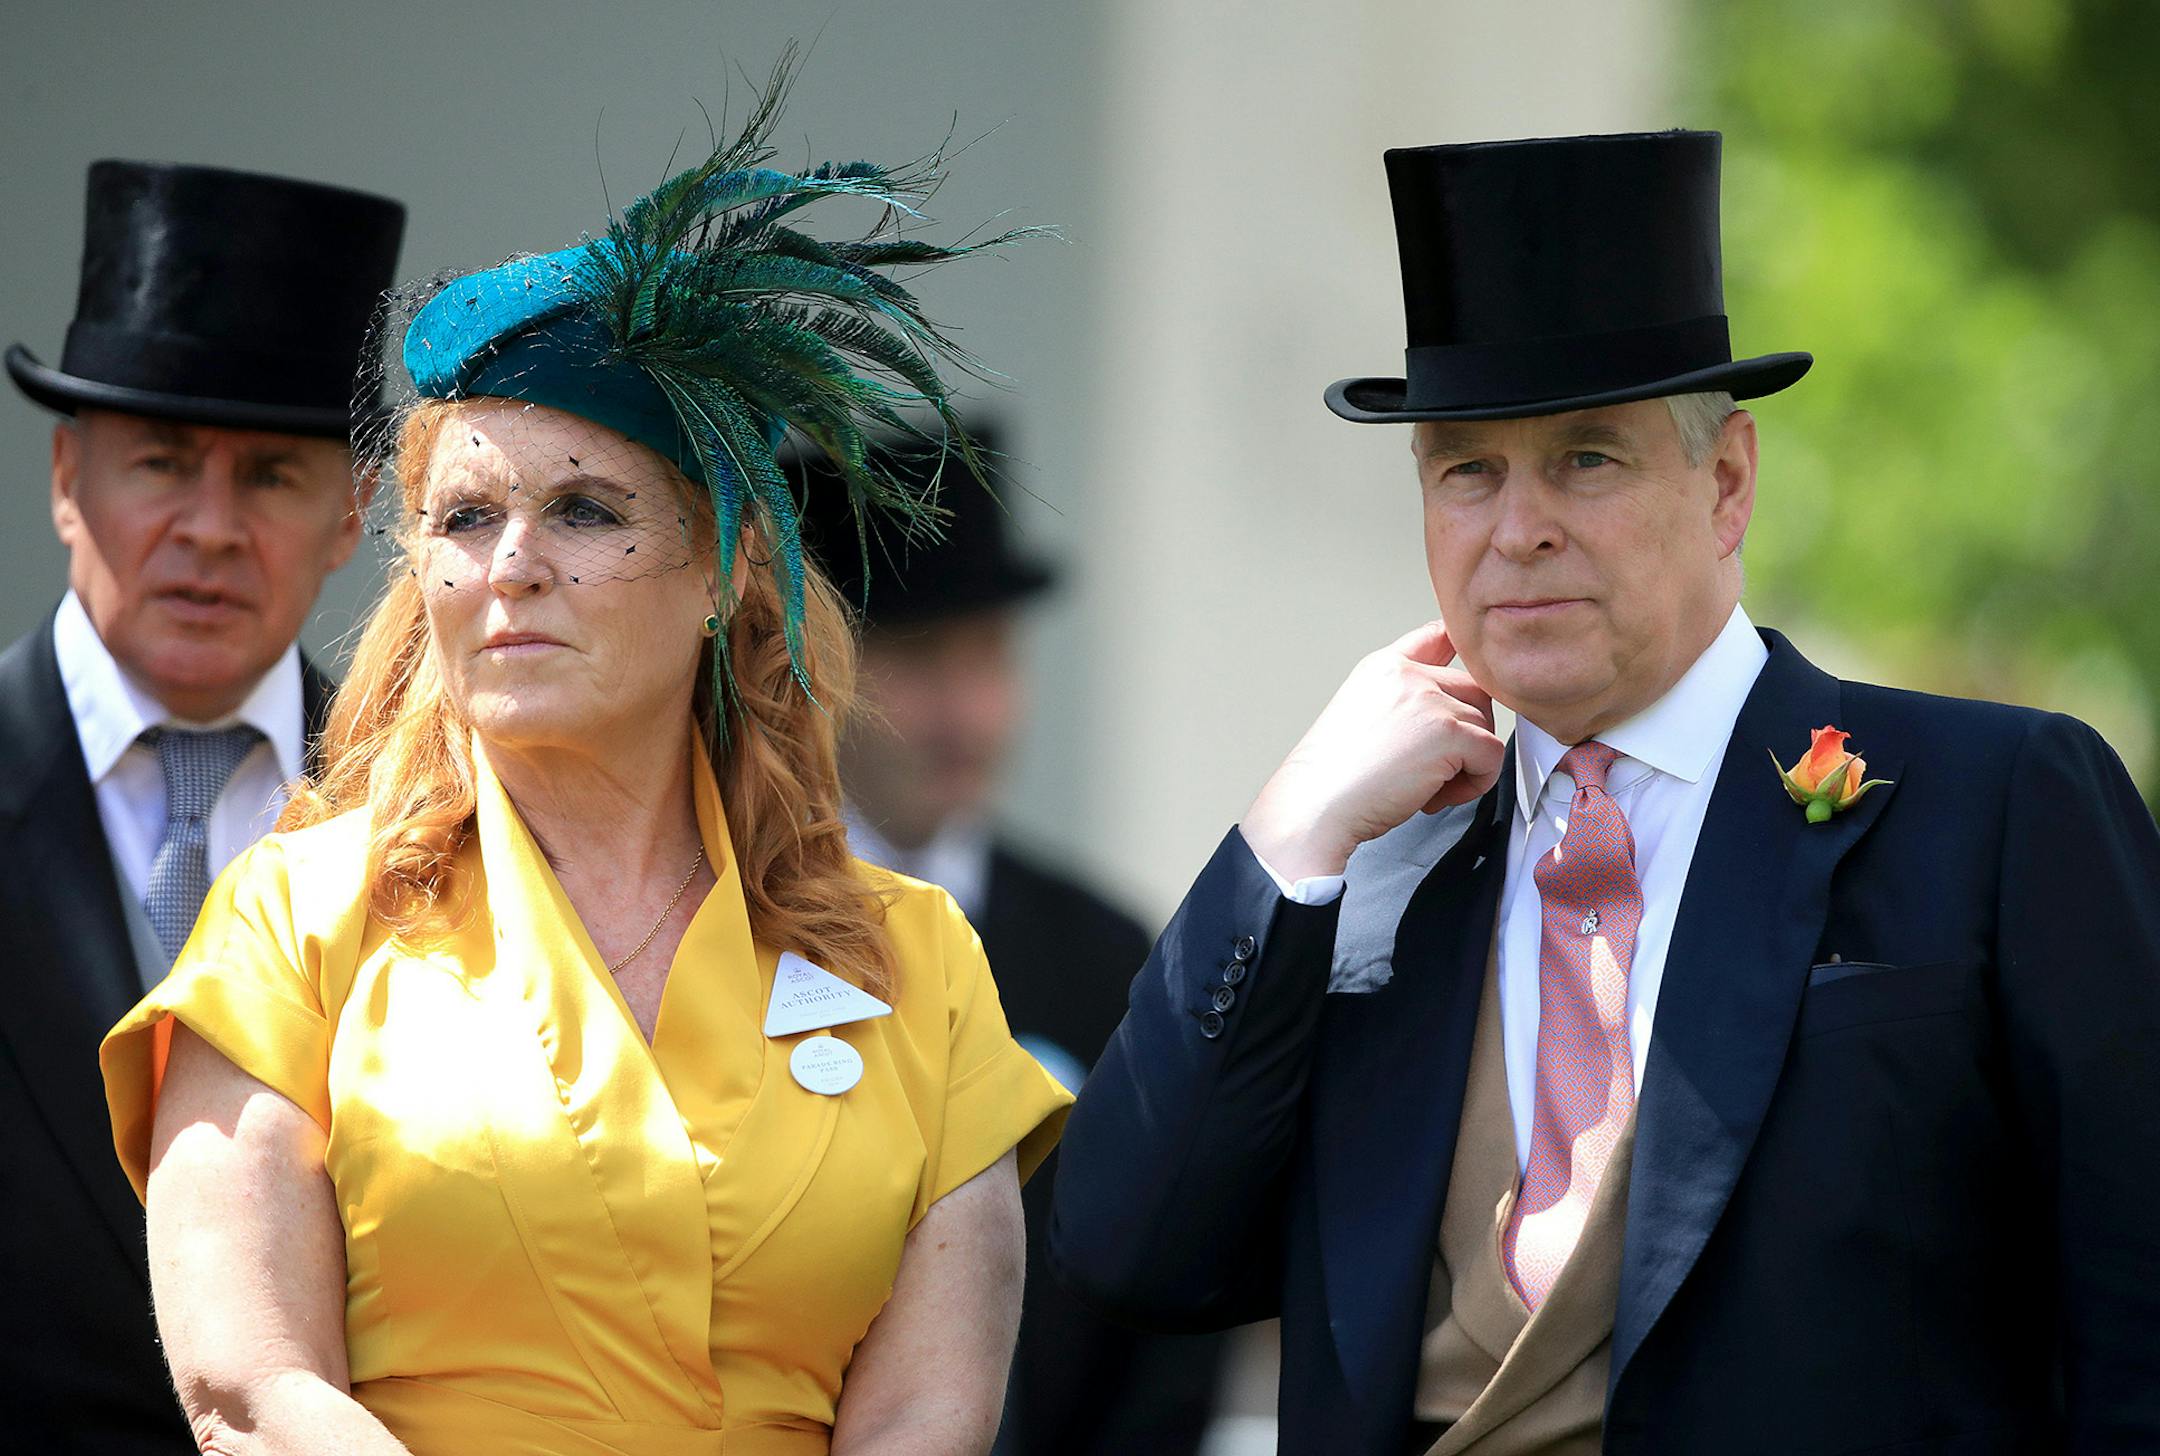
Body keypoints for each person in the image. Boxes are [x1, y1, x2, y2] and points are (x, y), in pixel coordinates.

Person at [1050, 130, 2160, 1454]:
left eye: (1587, 459)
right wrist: (1289, 836)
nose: (1520, 528)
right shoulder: (1376, 871)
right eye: (1468, 469)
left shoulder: (1997, 806)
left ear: (1728, 481)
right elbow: (1126, 1248)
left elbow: (2140, 1325)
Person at [98, 78, 1070, 1456]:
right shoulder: (295, 924)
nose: (512, 568)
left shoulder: (913, 965)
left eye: (586, 511)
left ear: (727, 570)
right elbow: (250, 1387)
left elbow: (928, 1416)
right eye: (466, 517)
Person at [0, 159, 404, 1450]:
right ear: (69, 478)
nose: (211, 527)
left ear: (353, 512)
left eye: (274, 475)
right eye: (163, 462)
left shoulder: (451, 820)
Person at [799, 437, 1227, 1455]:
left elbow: (1168, 1287)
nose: (967, 714)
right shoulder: (724, 926)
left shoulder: (1104, 950)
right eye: (919, 661)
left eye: (991, 656)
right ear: (813, 669)